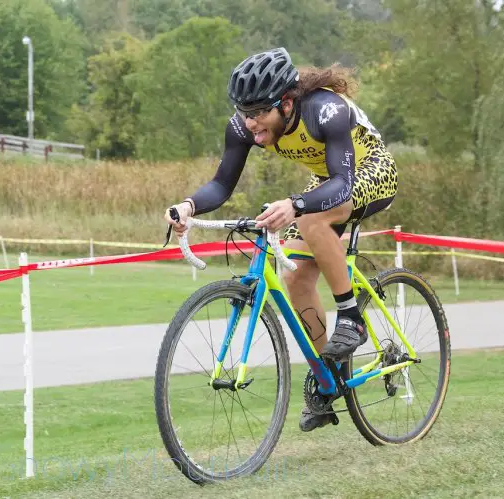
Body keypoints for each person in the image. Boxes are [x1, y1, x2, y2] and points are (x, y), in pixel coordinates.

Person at [164, 47, 398, 433]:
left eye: (259, 113)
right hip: (325, 183)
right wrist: (188, 205)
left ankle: (351, 318)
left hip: (368, 170)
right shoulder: (244, 126)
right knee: (294, 275)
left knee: (310, 222)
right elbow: (222, 184)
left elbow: (341, 183)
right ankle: (330, 376)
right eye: (245, 112)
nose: (251, 124)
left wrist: (297, 204)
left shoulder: (326, 110)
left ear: (287, 103)